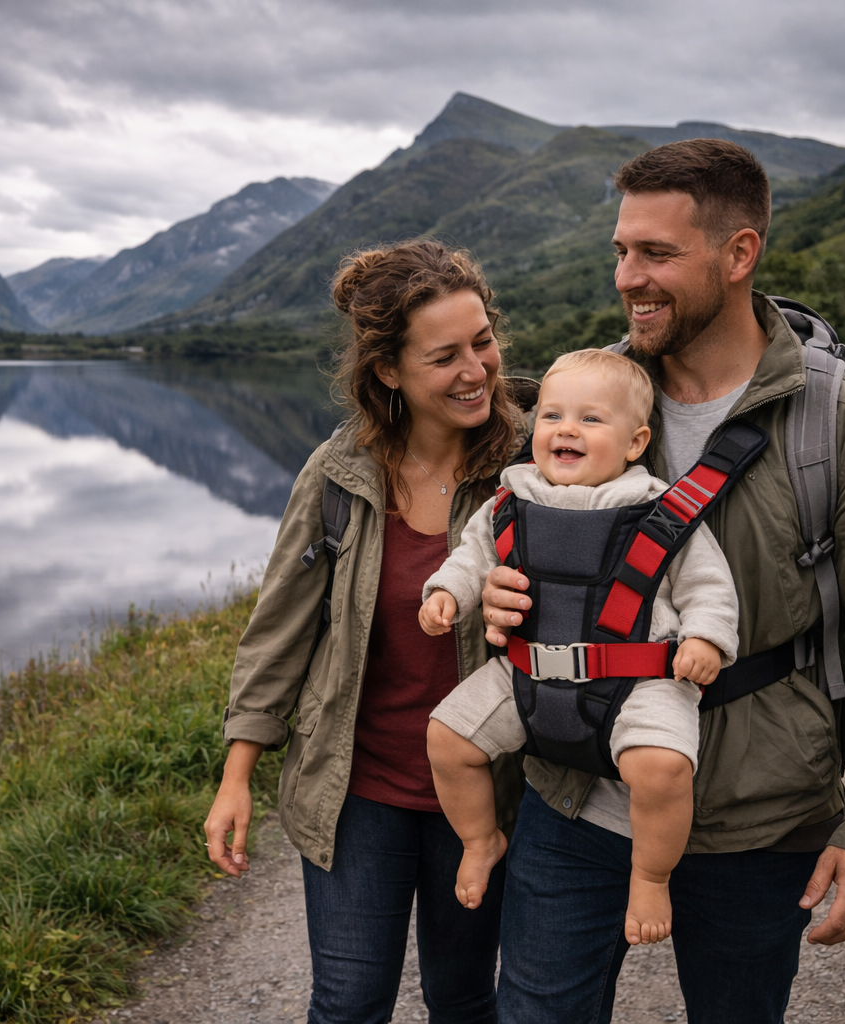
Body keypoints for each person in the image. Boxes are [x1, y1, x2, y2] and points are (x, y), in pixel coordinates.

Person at [479, 139, 845, 1022]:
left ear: (740, 254)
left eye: (658, 253)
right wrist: (494, 599)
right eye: (621, 250)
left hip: (758, 818)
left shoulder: (843, 428)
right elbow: (516, 548)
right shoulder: (593, 401)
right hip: (575, 798)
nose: (629, 277)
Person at [203, 240, 532, 1024]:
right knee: (348, 1004)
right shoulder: (338, 473)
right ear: (388, 371)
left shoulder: (534, 464)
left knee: (463, 999)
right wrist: (237, 774)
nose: (476, 370)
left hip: (488, 791)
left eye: (482, 342)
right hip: (359, 791)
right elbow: (278, 628)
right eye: (444, 356)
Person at [420, 348, 740, 946]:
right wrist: (446, 594)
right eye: (550, 416)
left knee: (664, 768)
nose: (566, 429)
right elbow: (471, 559)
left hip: (639, 680)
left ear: (635, 441)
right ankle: (479, 838)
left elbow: (710, 587)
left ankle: (649, 874)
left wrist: (705, 639)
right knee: (447, 737)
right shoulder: (509, 501)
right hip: (526, 676)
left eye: (591, 420)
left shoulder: (661, 512)